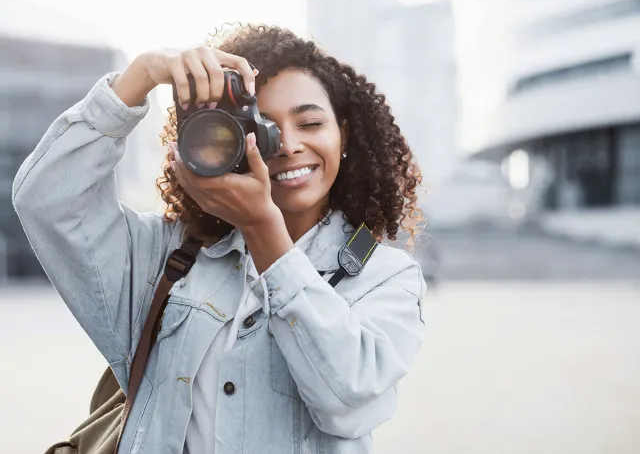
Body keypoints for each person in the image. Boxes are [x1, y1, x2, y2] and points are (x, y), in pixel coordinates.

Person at [13, 25, 426, 454]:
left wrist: (264, 230)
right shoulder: (168, 257)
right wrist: (141, 75)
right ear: (218, 140)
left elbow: (346, 399)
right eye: (261, 127)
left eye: (310, 122)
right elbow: (46, 201)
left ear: (343, 136)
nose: (286, 145)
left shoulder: (386, 277)